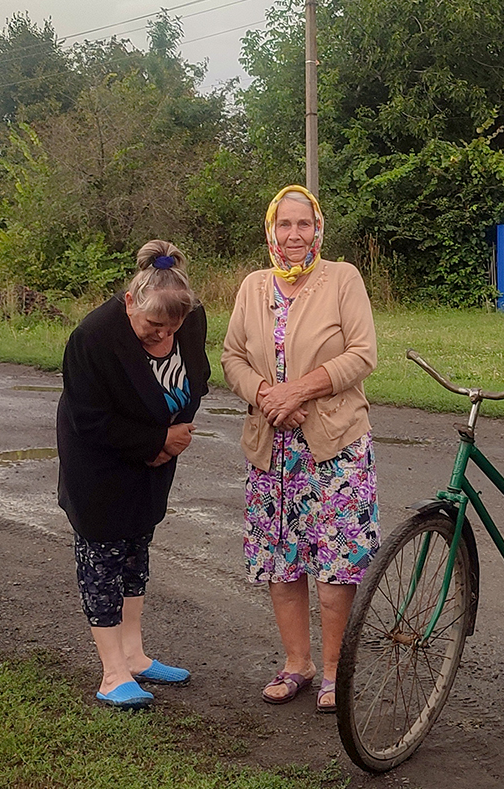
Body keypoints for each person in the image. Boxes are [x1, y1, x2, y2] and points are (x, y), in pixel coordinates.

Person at [221, 185, 379, 713]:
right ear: (271, 232)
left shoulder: (343, 278)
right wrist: (267, 395)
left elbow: (362, 354)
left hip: (334, 445)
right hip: (272, 448)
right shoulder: (252, 286)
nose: (294, 235)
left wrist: (300, 390)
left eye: (304, 225)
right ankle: (297, 665)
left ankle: (334, 671)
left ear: (319, 229)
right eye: (284, 226)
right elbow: (232, 356)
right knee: (281, 560)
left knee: (335, 561)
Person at [56, 239, 210, 709]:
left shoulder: (189, 317)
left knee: (135, 551)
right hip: (99, 463)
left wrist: (174, 434)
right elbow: (89, 418)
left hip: (157, 456)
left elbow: (197, 377)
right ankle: (111, 673)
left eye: (171, 328)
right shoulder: (94, 336)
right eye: (152, 326)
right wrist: (155, 443)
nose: (162, 336)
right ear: (129, 301)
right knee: (102, 557)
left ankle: (136, 656)